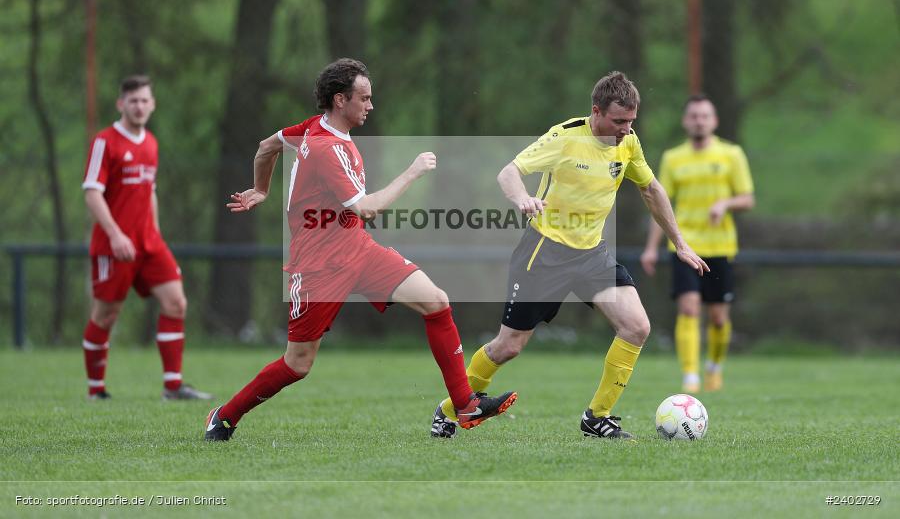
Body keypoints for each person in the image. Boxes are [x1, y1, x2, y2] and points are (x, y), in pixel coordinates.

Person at [204, 58, 516, 441]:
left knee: (436, 301)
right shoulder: (325, 148)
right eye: (364, 99)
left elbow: (266, 148)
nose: (370, 106)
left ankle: (465, 405)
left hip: (357, 249)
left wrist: (262, 189)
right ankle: (225, 415)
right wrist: (413, 171)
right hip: (319, 266)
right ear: (340, 100)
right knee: (298, 364)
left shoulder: (309, 130)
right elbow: (366, 207)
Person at [430, 71, 708, 440]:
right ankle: (450, 410)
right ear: (596, 111)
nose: (626, 129)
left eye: (631, 121)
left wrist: (680, 242)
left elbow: (651, 189)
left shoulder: (628, 142)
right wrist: (522, 199)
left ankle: (597, 417)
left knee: (637, 326)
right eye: (618, 121)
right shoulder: (564, 138)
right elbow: (509, 172)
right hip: (545, 253)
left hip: (592, 254)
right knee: (508, 346)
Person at [81, 75, 212, 401]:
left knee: (176, 302)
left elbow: (149, 192)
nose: (139, 106)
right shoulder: (105, 141)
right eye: (133, 100)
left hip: (149, 244)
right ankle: (96, 391)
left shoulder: (151, 143)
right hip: (114, 245)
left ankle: (173, 386)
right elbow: (92, 193)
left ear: (152, 105)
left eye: (144, 100)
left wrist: (154, 232)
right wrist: (115, 235)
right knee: (106, 315)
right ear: (121, 104)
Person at [640, 94, 754, 393]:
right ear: (685, 121)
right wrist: (652, 247)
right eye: (694, 116)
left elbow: (748, 198)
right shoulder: (673, 158)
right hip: (685, 246)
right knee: (689, 309)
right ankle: (690, 377)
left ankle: (714, 367)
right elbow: (659, 205)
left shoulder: (731, 154)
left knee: (718, 318)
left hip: (721, 247)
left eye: (705, 116)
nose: (699, 121)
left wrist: (725, 203)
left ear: (714, 121)